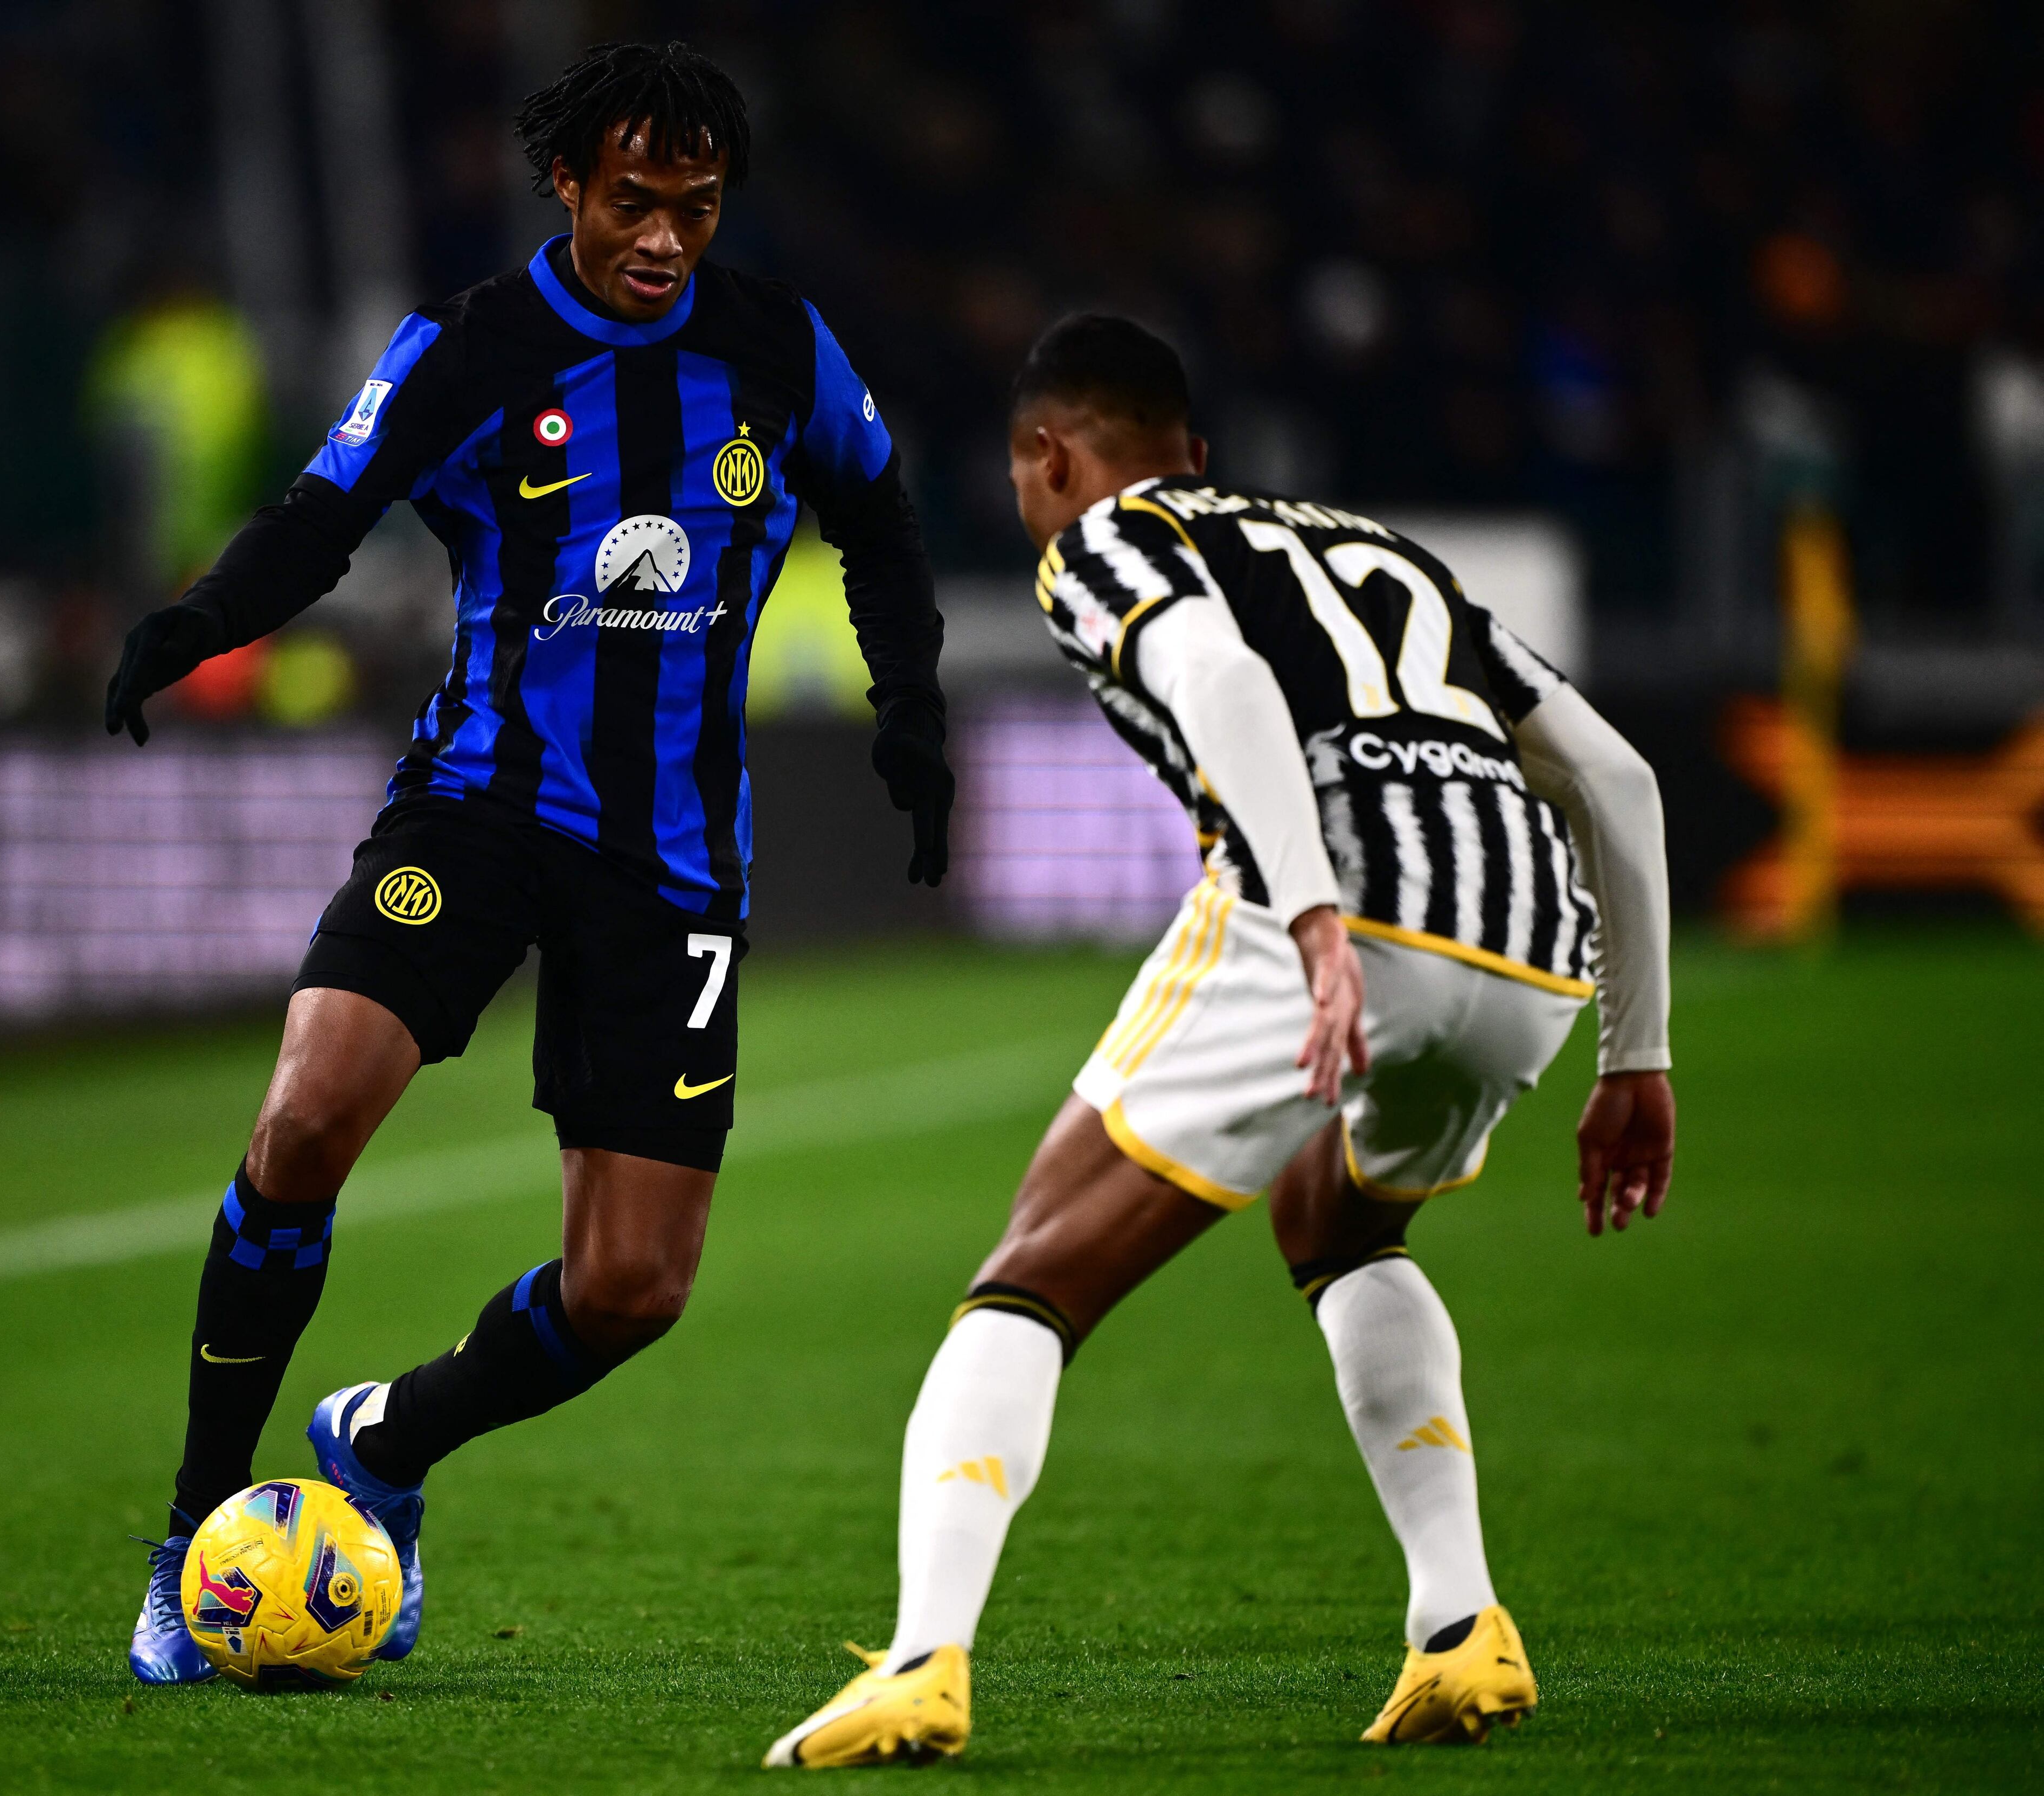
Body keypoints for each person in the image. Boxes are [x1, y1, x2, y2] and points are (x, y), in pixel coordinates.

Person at [103, 41, 950, 1683]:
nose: (663, 239)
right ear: (566, 183)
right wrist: (203, 617)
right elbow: (324, 508)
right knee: (302, 1114)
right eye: (634, 201)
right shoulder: (476, 345)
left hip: (672, 855)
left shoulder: (778, 347)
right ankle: (199, 1530)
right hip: (479, 806)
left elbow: (886, 518)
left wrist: (910, 708)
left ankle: (387, 1437)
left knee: (631, 1287)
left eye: (695, 209)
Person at [765, 315, 1674, 1766]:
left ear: (1053, 458)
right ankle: (1462, 1622)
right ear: (1200, 450)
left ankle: (927, 1655)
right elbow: (1620, 779)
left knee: (1032, 1276)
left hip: (1342, 910)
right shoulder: (1385, 557)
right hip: (1529, 938)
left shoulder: (1111, 537)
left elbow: (1225, 682)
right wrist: (1641, 1058)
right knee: (1342, 1225)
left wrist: (1314, 918)